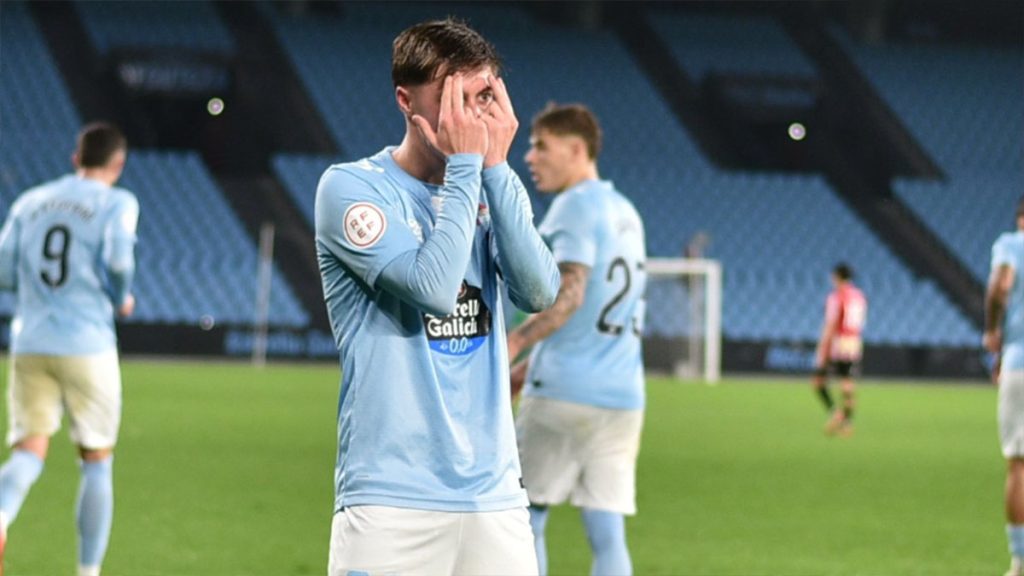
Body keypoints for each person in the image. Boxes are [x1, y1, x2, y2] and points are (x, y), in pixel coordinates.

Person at [314, 18, 559, 575]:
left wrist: (492, 168)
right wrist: (470, 168)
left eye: (485, 96)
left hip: (493, 498)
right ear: (407, 99)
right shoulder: (352, 188)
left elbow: (540, 289)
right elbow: (434, 289)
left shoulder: (492, 181)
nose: (473, 117)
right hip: (389, 498)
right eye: (456, 96)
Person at [508, 103, 647, 576]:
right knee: (607, 534)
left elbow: (570, 295)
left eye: (540, 146)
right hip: (623, 398)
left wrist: (515, 344)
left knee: (527, 518)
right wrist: (530, 366)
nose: (529, 157)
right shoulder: (626, 211)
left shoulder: (575, 205)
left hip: (565, 393)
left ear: (575, 148)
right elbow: (597, 311)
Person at [0, 123, 138, 576]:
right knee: (97, 461)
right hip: (88, 345)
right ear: (117, 164)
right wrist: (120, 297)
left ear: (75, 158)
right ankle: (87, 573)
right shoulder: (118, 201)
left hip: (30, 342)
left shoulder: (30, 201)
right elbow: (119, 261)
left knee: (27, 453)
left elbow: (3, 270)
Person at [983, 197, 1024, 576]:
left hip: (1019, 362)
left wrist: (993, 331)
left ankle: (1019, 559)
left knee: (1018, 464)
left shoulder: (1012, 243)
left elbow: (1001, 286)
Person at [811, 262, 867, 437]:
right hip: (854, 342)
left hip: (838, 342)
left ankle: (835, 414)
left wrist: (822, 346)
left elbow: (831, 323)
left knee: (818, 381)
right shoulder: (859, 296)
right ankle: (847, 423)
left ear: (837, 276)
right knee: (847, 383)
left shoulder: (836, 296)